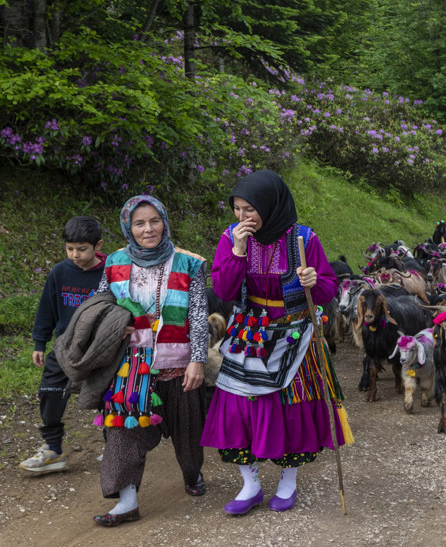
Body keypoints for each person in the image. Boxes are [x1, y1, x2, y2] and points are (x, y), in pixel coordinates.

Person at [201, 169, 351, 515]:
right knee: (236, 407)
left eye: (249, 209)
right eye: (237, 209)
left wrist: (315, 280)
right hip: (249, 331)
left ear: (271, 206)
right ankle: (250, 484)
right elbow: (223, 291)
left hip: (293, 332)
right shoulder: (231, 238)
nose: (242, 217)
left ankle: (288, 482)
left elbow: (328, 288)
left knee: (290, 409)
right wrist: (237, 251)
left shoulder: (303, 239)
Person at [91, 195, 209, 526]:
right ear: (128, 227)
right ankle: (126, 502)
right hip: (130, 366)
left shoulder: (189, 263)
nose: (148, 229)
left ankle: (192, 474)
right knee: (122, 433)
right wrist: (114, 324)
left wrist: (198, 360)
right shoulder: (113, 262)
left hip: (179, 363)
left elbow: (199, 315)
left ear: (165, 221)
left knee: (188, 433)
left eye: (154, 221)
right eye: (139, 223)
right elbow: (100, 307)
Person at [20, 216, 106, 473]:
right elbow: (46, 308)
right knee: (49, 391)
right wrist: (39, 342)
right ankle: (52, 449)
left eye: (82, 249)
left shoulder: (111, 272)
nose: (75, 255)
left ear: (97, 246)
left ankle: (114, 445)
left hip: (99, 348)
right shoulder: (60, 272)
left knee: (107, 395)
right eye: (70, 248)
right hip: (64, 346)